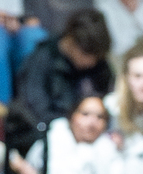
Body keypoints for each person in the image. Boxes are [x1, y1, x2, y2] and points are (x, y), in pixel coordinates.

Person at [9, 8, 114, 136]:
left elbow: (108, 100)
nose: (92, 62)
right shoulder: (42, 58)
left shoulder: (98, 64)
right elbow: (34, 107)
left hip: (93, 132)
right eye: (87, 54)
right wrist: (68, 126)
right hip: (52, 131)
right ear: (71, 41)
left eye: (96, 57)